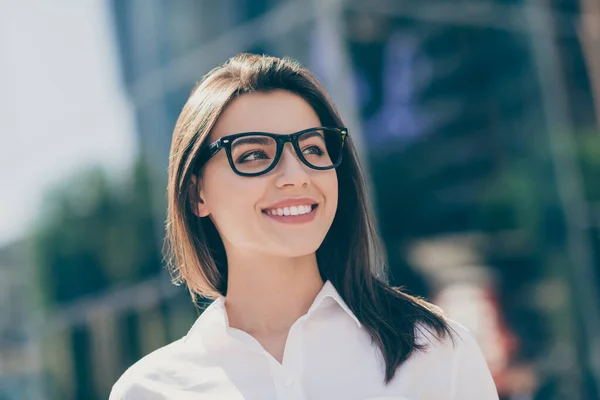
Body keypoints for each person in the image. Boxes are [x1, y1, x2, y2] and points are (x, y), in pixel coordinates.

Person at [109, 53, 499, 399]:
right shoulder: (150, 390)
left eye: (313, 148)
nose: (296, 175)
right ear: (196, 195)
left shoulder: (433, 350)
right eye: (254, 154)